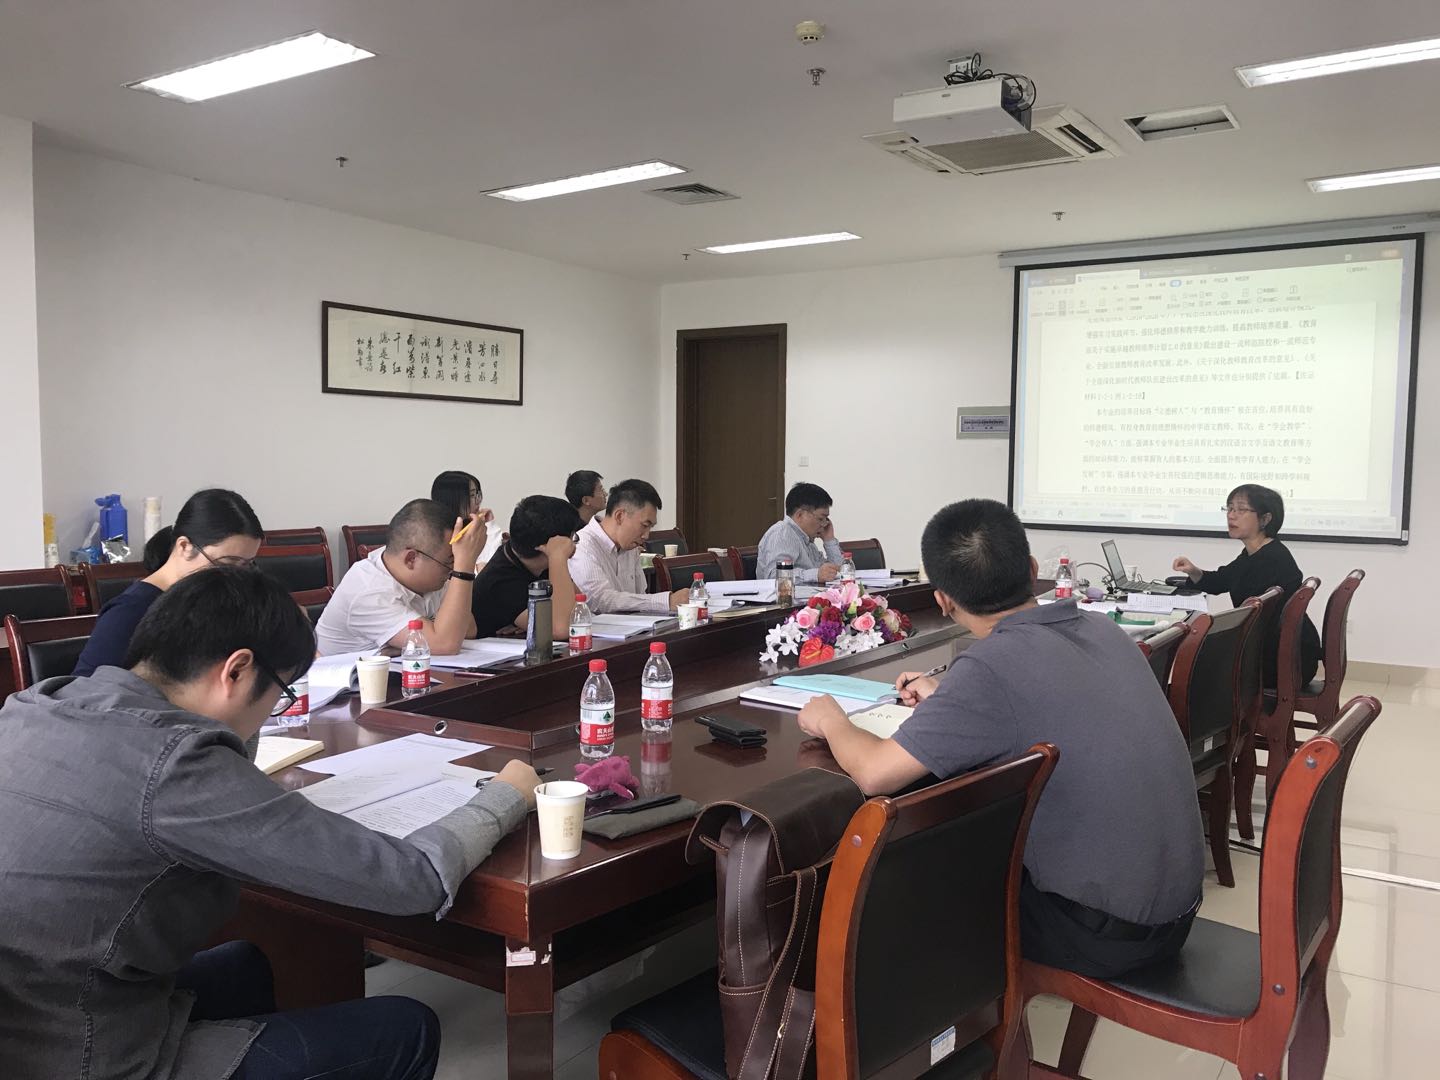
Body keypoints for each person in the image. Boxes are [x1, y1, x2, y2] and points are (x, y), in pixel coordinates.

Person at [0, 565, 540, 1080]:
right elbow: (412, 880)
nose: (276, 710)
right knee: (404, 1027)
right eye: (282, 693)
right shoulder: (179, 766)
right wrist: (504, 797)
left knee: (245, 965)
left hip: (31, 1011)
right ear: (235, 670)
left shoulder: (36, 704)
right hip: (82, 1053)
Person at [796, 499, 1204, 979]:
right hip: (1175, 909)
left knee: (906, 880)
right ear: (1032, 570)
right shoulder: (1102, 628)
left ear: (942, 599)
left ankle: (922, 1017)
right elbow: (1040, 698)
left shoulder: (991, 667)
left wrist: (831, 720)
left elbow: (872, 773)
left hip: (1106, 934)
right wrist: (950, 700)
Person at [74, 488, 264, 677]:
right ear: (185, 546)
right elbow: (87, 691)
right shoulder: (129, 612)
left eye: (246, 565)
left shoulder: (211, 602)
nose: (237, 577)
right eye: (227, 564)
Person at [1173, 483, 1322, 688]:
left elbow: (1254, 620)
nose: (1231, 516)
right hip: (1273, 650)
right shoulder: (1254, 553)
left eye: (1241, 509)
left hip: (1282, 661)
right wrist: (1193, 570)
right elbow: (1221, 581)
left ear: (1265, 519)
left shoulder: (1272, 560)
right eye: (1229, 508)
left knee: (1195, 661)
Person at [315, 498, 485, 656]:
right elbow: (446, 644)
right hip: (345, 678)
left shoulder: (427, 574)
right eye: (450, 562)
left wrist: (413, 644)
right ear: (411, 559)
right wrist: (464, 565)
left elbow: (468, 629)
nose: (453, 569)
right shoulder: (368, 590)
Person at [569, 479, 691, 613]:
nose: (646, 535)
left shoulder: (630, 547)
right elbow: (599, 601)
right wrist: (666, 601)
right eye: (644, 525)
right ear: (620, 516)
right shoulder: (582, 545)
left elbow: (640, 596)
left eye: (650, 527)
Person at [470, 495, 581, 639]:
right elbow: (561, 629)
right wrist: (558, 557)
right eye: (572, 537)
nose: (573, 543)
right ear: (552, 544)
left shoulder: (535, 561)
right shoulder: (501, 579)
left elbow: (580, 608)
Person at [756, 482, 844, 583]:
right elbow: (776, 576)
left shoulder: (807, 541)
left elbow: (840, 571)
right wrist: (815, 575)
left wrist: (829, 540)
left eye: (826, 519)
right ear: (800, 515)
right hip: (784, 594)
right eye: (821, 518)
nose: (824, 524)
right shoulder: (782, 534)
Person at [431, 470, 496, 572]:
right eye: (472, 495)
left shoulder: (473, 529)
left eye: (478, 494)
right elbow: (484, 571)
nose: (478, 501)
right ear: (452, 500)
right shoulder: (439, 539)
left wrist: (490, 527)